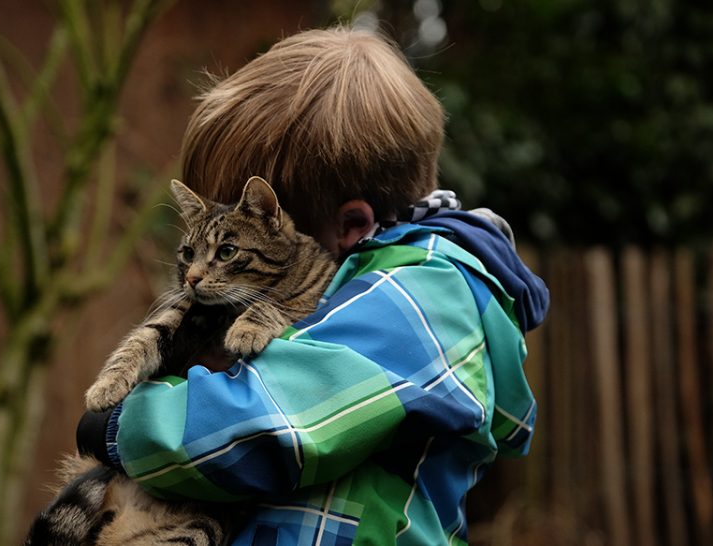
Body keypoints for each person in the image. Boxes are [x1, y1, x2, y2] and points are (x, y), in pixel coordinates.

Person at [77, 26, 549, 545]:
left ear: (350, 228)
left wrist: (121, 428)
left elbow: (266, 426)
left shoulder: (426, 295)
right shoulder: (376, 289)